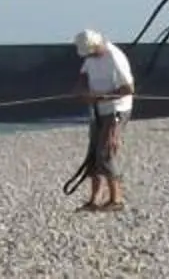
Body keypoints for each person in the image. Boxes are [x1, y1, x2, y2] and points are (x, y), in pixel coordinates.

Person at [67, 30, 134, 212]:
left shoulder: (115, 57)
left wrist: (101, 97)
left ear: (97, 45)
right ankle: (95, 199)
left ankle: (116, 199)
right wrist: (82, 90)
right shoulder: (90, 56)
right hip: (97, 110)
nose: (88, 57)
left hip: (116, 110)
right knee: (93, 153)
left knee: (105, 153)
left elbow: (128, 88)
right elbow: (83, 76)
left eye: (90, 53)